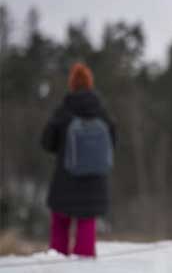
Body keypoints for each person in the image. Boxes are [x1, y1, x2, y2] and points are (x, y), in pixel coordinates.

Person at [41, 62, 116, 257]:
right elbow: (113, 141)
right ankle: (84, 269)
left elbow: (47, 142)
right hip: (94, 180)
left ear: (71, 84)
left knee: (60, 221)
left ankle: (57, 263)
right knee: (87, 222)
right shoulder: (102, 111)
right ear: (90, 84)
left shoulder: (64, 110)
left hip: (65, 178)